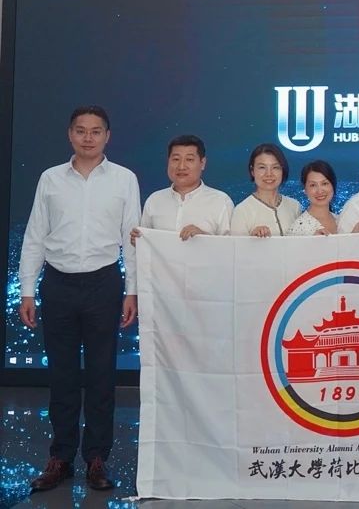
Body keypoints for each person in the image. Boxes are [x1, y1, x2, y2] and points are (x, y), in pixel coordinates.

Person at [18, 105, 140, 492]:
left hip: (104, 283)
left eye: (96, 131)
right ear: (70, 134)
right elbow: (36, 235)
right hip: (58, 284)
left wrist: (132, 289)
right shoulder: (50, 179)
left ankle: (97, 459)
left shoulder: (124, 179)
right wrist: (27, 289)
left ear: (107, 136)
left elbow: (132, 239)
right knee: (62, 377)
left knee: (102, 376)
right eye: (81, 130)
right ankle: (61, 457)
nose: (88, 137)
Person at [133, 135, 233, 244]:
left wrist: (204, 238)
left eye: (189, 159)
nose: (181, 166)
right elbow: (146, 244)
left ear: (202, 163)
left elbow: (232, 248)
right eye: (176, 159)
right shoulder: (154, 200)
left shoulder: (221, 201)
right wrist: (138, 241)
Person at [230, 143, 301, 237]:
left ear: (282, 170)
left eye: (275, 167)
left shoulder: (294, 206)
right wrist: (251, 239)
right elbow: (236, 246)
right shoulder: (242, 211)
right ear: (252, 171)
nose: (269, 174)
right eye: (262, 167)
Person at [288, 160, 339, 235]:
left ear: (333, 185)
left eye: (324, 183)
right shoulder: (299, 228)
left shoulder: (340, 220)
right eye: (313, 185)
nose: (319, 191)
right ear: (305, 189)